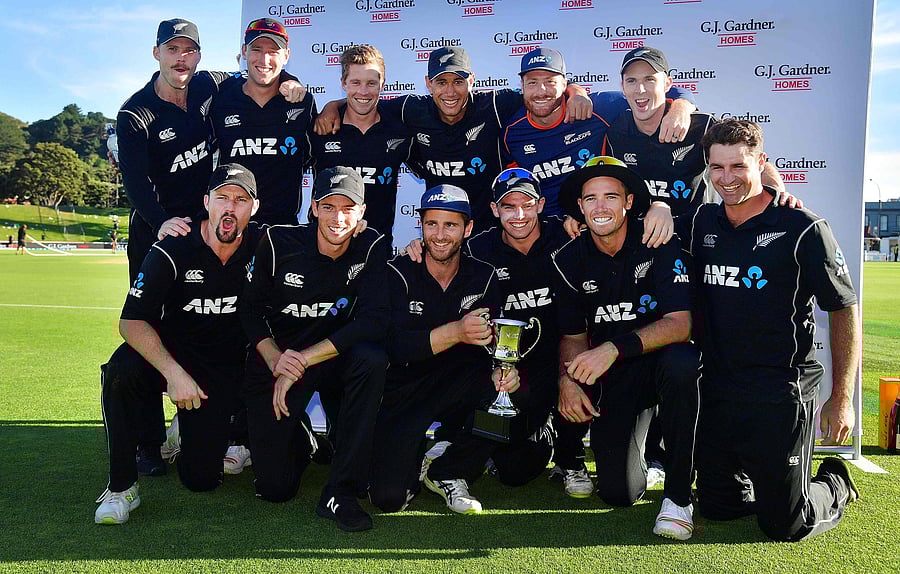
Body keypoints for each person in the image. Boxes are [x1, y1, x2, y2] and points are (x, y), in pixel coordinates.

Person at [117, 18, 303, 474]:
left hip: (213, 220)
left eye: (189, 50)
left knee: (229, 320)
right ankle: (148, 439)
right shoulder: (135, 113)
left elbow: (260, 72)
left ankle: (217, 419)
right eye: (172, 49)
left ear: (199, 56)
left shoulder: (208, 85)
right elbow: (135, 181)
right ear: (156, 53)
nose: (182, 58)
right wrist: (163, 223)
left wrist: (292, 81)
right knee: (152, 331)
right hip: (160, 231)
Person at [682, 119, 861, 542]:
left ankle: (834, 480)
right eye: (717, 167)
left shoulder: (803, 227)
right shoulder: (701, 222)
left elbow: (843, 309)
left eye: (738, 167)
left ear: (761, 163)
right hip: (720, 385)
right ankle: (760, 479)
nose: (727, 179)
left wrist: (842, 398)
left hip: (781, 388)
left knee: (785, 523)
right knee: (718, 508)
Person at [94, 163, 262, 524]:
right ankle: (121, 488)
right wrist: (173, 373)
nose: (230, 208)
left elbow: (323, 242)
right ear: (207, 202)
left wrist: (357, 228)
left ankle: (186, 431)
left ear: (254, 208)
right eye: (222, 198)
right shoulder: (175, 247)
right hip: (173, 356)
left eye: (241, 200)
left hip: (223, 365)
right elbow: (131, 321)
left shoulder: (266, 245)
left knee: (201, 480)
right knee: (121, 371)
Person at [552, 156, 701, 540]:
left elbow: (681, 324)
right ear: (580, 207)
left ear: (629, 203)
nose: (600, 207)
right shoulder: (568, 259)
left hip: (661, 363)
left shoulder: (658, 241)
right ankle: (648, 451)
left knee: (683, 362)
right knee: (618, 493)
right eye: (591, 199)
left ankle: (679, 497)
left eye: (610, 196)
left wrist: (613, 348)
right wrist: (568, 382)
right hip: (618, 377)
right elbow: (571, 336)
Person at [240, 167, 390, 532]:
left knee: (372, 360)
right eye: (328, 206)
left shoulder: (372, 245)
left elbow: (372, 322)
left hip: (331, 357)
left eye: (348, 208)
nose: (338, 218)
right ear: (313, 208)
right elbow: (249, 310)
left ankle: (341, 491)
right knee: (275, 488)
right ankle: (302, 437)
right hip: (281, 357)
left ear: (361, 213)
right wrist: (278, 360)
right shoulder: (278, 242)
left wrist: (305, 359)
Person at [316, 46, 594, 232]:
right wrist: (332, 107)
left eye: (458, 81)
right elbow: (365, 100)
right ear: (428, 84)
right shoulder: (411, 109)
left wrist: (576, 92)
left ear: (472, 80)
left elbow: (541, 93)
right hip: (442, 231)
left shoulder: (494, 105)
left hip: (493, 230)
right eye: (441, 82)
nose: (450, 92)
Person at [368, 185, 518, 515]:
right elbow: (390, 346)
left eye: (450, 225)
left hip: (462, 382)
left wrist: (503, 367)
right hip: (406, 390)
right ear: (420, 225)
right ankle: (415, 456)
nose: (439, 235)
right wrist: (455, 332)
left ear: (467, 229)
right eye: (432, 224)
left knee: (504, 397)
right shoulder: (396, 272)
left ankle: (449, 470)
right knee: (388, 499)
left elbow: (496, 340)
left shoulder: (485, 275)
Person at [502, 47, 695, 224]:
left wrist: (681, 108)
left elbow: (660, 93)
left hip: (595, 223)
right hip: (544, 231)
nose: (541, 91)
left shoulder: (596, 108)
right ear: (522, 85)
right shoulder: (512, 131)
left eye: (550, 82)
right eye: (533, 82)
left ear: (564, 83)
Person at [210, 18, 316, 226]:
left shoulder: (302, 102)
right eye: (256, 49)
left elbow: (318, 158)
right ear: (244, 52)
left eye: (273, 52)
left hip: (283, 228)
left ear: (286, 56)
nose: (264, 59)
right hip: (231, 226)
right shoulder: (221, 99)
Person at [308, 45, 414, 246]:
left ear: (383, 84)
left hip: (376, 249)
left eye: (371, 83)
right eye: (355, 82)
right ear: (343, 83)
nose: (363, 92)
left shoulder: (399, 129)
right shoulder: (321, 128)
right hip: (323, 247)